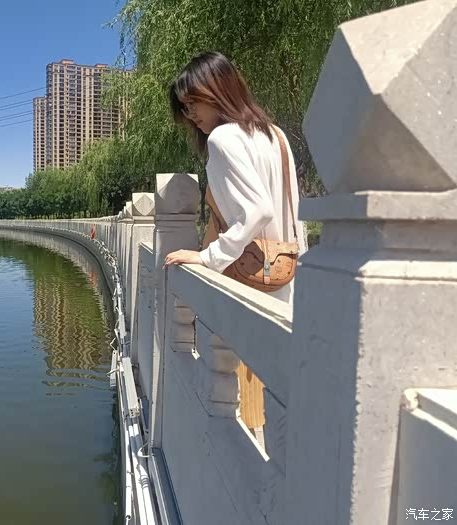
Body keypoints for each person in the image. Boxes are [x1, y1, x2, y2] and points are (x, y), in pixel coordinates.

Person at [163, 51, 305, 436]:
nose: (190, 113)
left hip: (248, 274)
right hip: (283, 271)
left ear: (218, 89)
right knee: (278, 387)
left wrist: (209, 256)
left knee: (247, 384)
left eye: (194, 101)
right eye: (184, 106)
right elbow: (290, 209)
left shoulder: (223, 138)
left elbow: (257, 211)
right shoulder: (275, 135)